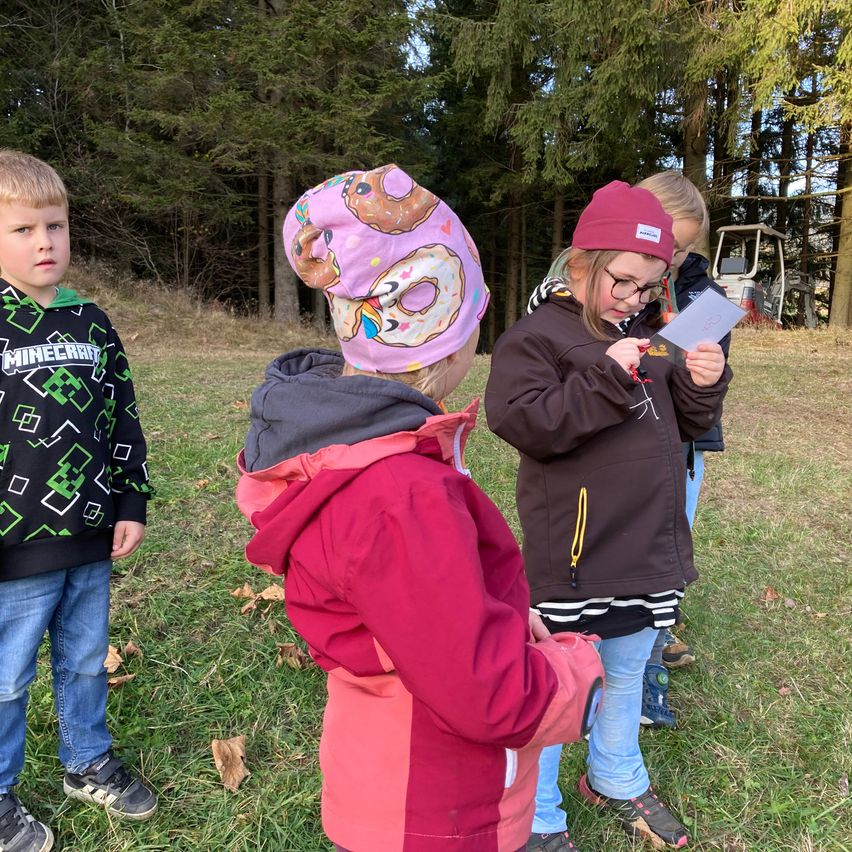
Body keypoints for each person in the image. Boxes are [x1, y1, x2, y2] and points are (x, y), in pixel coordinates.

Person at [236, 164, 605, 852]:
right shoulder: (399, 492)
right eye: (475, 322)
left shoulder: (354, 450)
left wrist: (493, 616)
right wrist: (573, 677)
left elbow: (414, 613)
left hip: (385, 779)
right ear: (438, 329)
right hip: (436, 807)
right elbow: (479, 689)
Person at [486, 180, 731, 851]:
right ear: (579, 266)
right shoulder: (537, 337)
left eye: (649, 288)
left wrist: (702, 385)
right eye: (621, 282)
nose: (633, 299)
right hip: (576, 558)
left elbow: (683, 423)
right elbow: (522, 421)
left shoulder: (649, 333)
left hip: (647, 547)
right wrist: (603, 377)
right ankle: (537, 815)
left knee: (624, 672)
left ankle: (617, 774)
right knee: (562, 684)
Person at [0, 150, 156, 852]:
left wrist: (131, 502)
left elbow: (121, 416)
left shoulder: (90, 322)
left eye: (56, 227)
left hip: (90, 536)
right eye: (24, 230)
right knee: (5, 677)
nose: (44, 243)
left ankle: (85, 759)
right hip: (12, 551)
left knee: (86, 658)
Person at [635, 171, 732, 730]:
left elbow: (688, 369)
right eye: (668, 241)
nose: (673, 256)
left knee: (665, 555)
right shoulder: (605, 276)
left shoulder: (703, 295)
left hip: (680, 441)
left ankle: (651, 673)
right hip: (614, 436)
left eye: (687, 246)